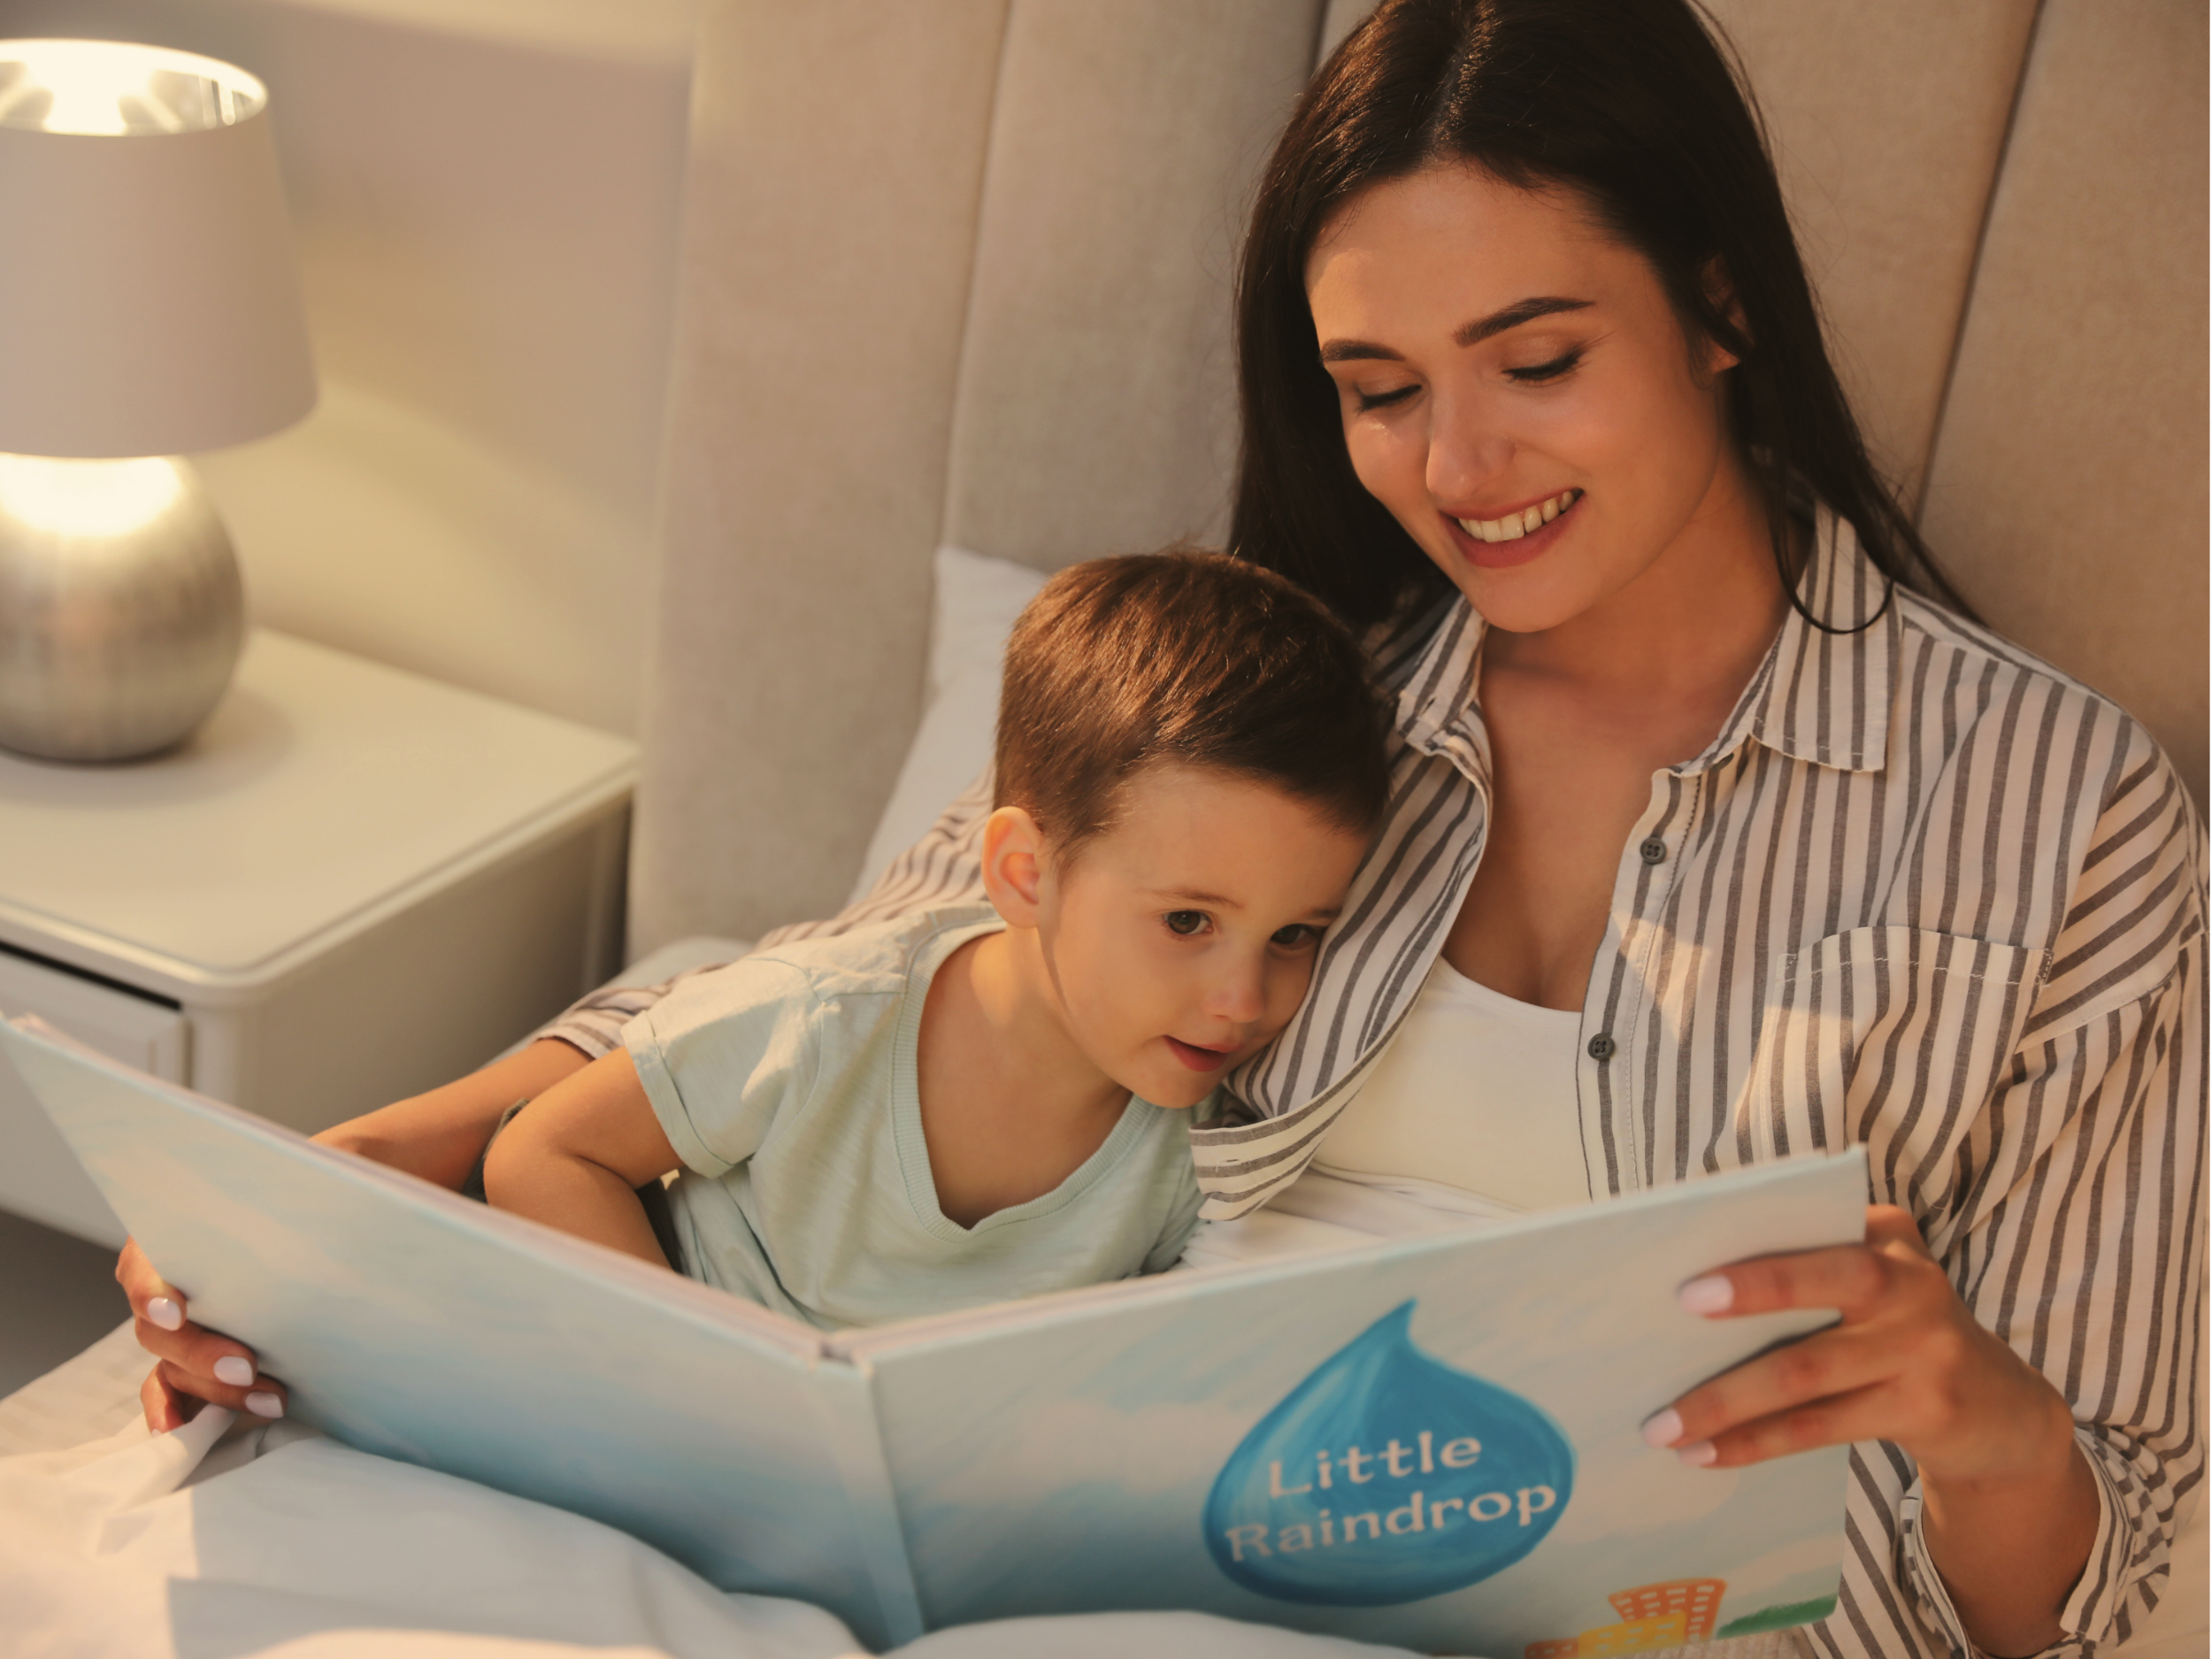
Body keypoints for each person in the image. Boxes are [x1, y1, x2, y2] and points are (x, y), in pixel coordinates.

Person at [121, 2, 2201, 1655]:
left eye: (1538, 358)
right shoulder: (1295, 691)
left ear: (1720, 302)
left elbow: (2089, 1585)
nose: (1457, 463)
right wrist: (336, 1192)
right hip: (1099, 1558)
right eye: (1378, 386)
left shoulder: (2060, 813)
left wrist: (1980, 1405)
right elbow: (859, 983)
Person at [478, 553, 1383, 1328]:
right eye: (1188, 922)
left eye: (1295, 934)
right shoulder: (821, 1013)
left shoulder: (1197, 1151)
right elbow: (544, 1153)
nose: (1244, 1001)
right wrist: (691, 1386)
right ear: (1026, 873)